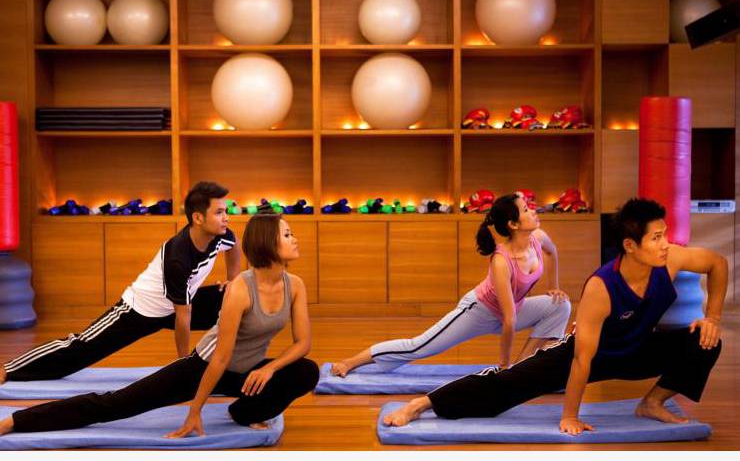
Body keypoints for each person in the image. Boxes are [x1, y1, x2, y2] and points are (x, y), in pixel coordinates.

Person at [382, 198, 726, 435]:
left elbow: (717, 263)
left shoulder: (671, 259)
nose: (665, 244)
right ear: (630, 245)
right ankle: (422, 403)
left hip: (637, 349)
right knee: (506, 387)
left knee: (706, 340)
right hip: (589, 354)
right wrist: (570, 416)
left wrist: (711, 317)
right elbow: (581, 360)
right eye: (656, 237)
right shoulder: (602, 287)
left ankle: (652, 403)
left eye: (665, 235)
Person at [0, 214, 319, 436]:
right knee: (113, 405)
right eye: (287, 234)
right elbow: (220, 358)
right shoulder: (240, 290)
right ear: (267, 244)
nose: (295, 239)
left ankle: (243, 413)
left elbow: (303, 343)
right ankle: (16, 421)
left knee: (306, 371)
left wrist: (268, 369)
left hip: (246, 372)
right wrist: (194, 411)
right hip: (203, 368)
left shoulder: (295, 285)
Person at [1, 181, 240, 384]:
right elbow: (183, 316)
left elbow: (234, 245)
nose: (226, 218)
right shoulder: (178, 258)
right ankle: (8, 369)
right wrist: (183, 365)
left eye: (225, 211)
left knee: (238, 300)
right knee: (81, 348)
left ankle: (236, 368)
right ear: (198, 218)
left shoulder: (220, 234)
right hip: (140, 311)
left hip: (179, 305)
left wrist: (233, 279)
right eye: (219, 212)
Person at [331, 193, 571, 377]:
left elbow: (552, 253)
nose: (534, 211)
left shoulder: (538, 238)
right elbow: (509, 321)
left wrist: (554, 286)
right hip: (480, 312)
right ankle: (350, 362)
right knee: (419, 346)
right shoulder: (501, 261)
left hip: (513, 310)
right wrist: (503, 364)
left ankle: (521, 370)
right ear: (513, 224)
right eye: (526, 209)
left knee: (560, 306)